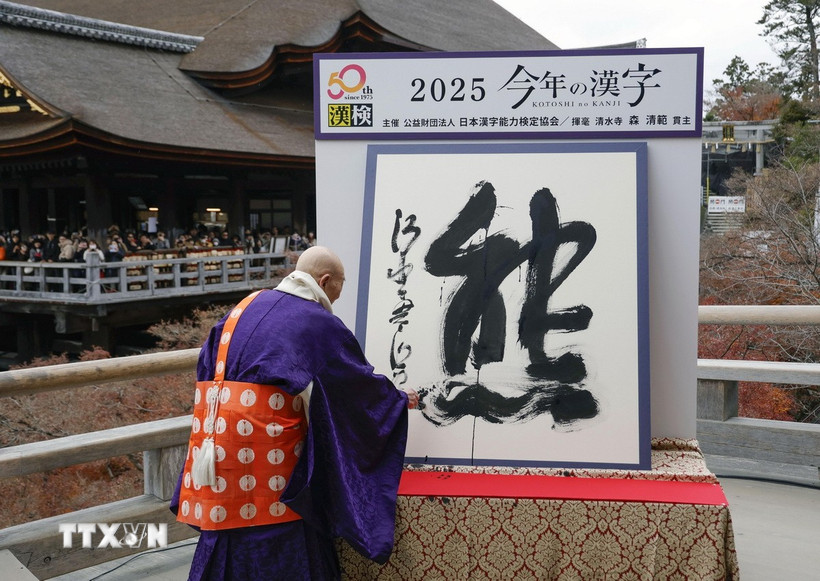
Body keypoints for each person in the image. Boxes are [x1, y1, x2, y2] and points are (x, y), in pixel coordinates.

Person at [171, 246, 418, 580]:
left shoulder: (242, 308)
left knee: (226, 543)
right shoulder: (316, 322)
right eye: (339, 287)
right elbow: (355, 388)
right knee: (283, 542)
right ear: (325, 280)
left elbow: (207, 369)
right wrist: (396, 400)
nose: (337, 296)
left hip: (217, 458)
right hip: (271, 467)